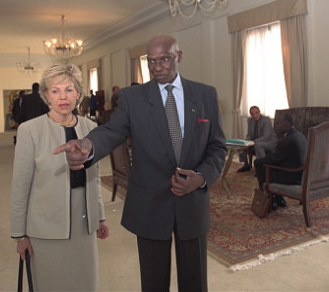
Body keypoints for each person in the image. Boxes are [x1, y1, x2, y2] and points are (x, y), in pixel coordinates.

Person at [54, 34, 227, 292]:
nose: (157, 68)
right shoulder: (132, 98)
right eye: (152, 61)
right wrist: (88, 145)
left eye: (165, 60)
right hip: (150, 205)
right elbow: (112, 131)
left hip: (193, 204)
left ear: (179, 56)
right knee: (153, 283)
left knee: (195, 283)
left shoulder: (205, 95)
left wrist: (201, 178)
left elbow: (217, 147)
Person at [10, 64, 109, 291]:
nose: (62, 97)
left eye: (69, 90)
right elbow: (19, 186)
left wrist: (100, 217)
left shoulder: (91, 128)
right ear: (46, 95)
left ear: (78, 94)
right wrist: (19, 235)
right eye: (55, 91)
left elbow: (94, 178)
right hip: (45, 225)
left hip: (84, 222)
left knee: (85, 282)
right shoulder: (29, 130)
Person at [254, 113, 307, 210]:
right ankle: (279, 198)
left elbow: (273, 159)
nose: (276, 125)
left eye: (279, 123)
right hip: (302, 174)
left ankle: (269, 200)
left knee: (260, 165)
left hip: (292, 176)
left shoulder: (287, 140)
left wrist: (258, 161)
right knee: (269, 165)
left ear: (287, 124)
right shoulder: (300, 135)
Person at [237, 106, 278, 172]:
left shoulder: (266, 120)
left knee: (258, 145)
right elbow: (249, 134)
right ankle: (246, 165)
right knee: (242, 143)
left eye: (256, 113)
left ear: (259, 112)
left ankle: (262, 169)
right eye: (252, 114)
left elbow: (266, 137)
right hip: (257, 141)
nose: (255, 115)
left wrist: (251, 142)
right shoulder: (250, 120)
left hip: (270, 142)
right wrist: (246, 142)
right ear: (250, 114)